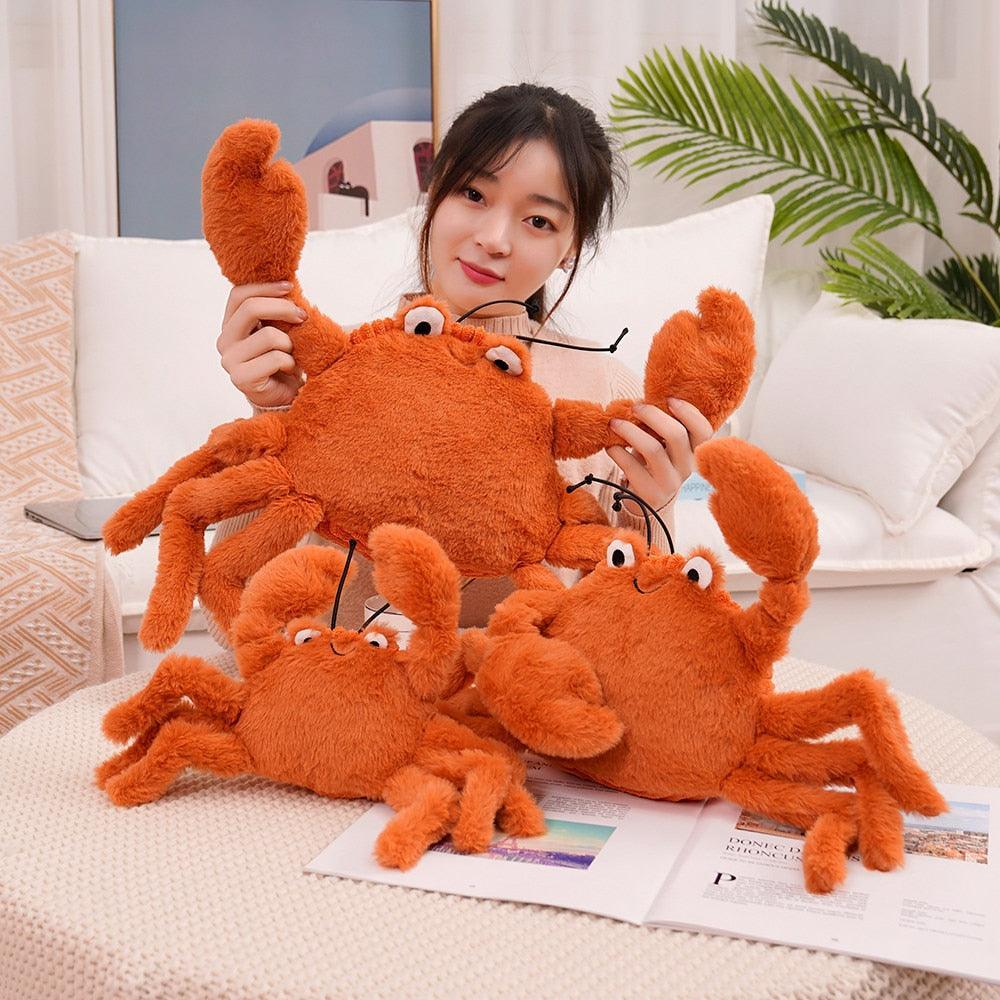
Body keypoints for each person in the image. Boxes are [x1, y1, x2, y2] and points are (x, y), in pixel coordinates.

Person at [206, 83, 715, 644]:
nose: (494, 239)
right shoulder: (335, 365)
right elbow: (238, 625)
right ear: (435, 190)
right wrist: (273, 414)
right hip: (345, 679)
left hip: (517, 689)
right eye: (473, 194)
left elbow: (638, 643)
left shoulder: (604, 393)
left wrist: (655, 506)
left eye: (538, 221)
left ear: (571, 246)